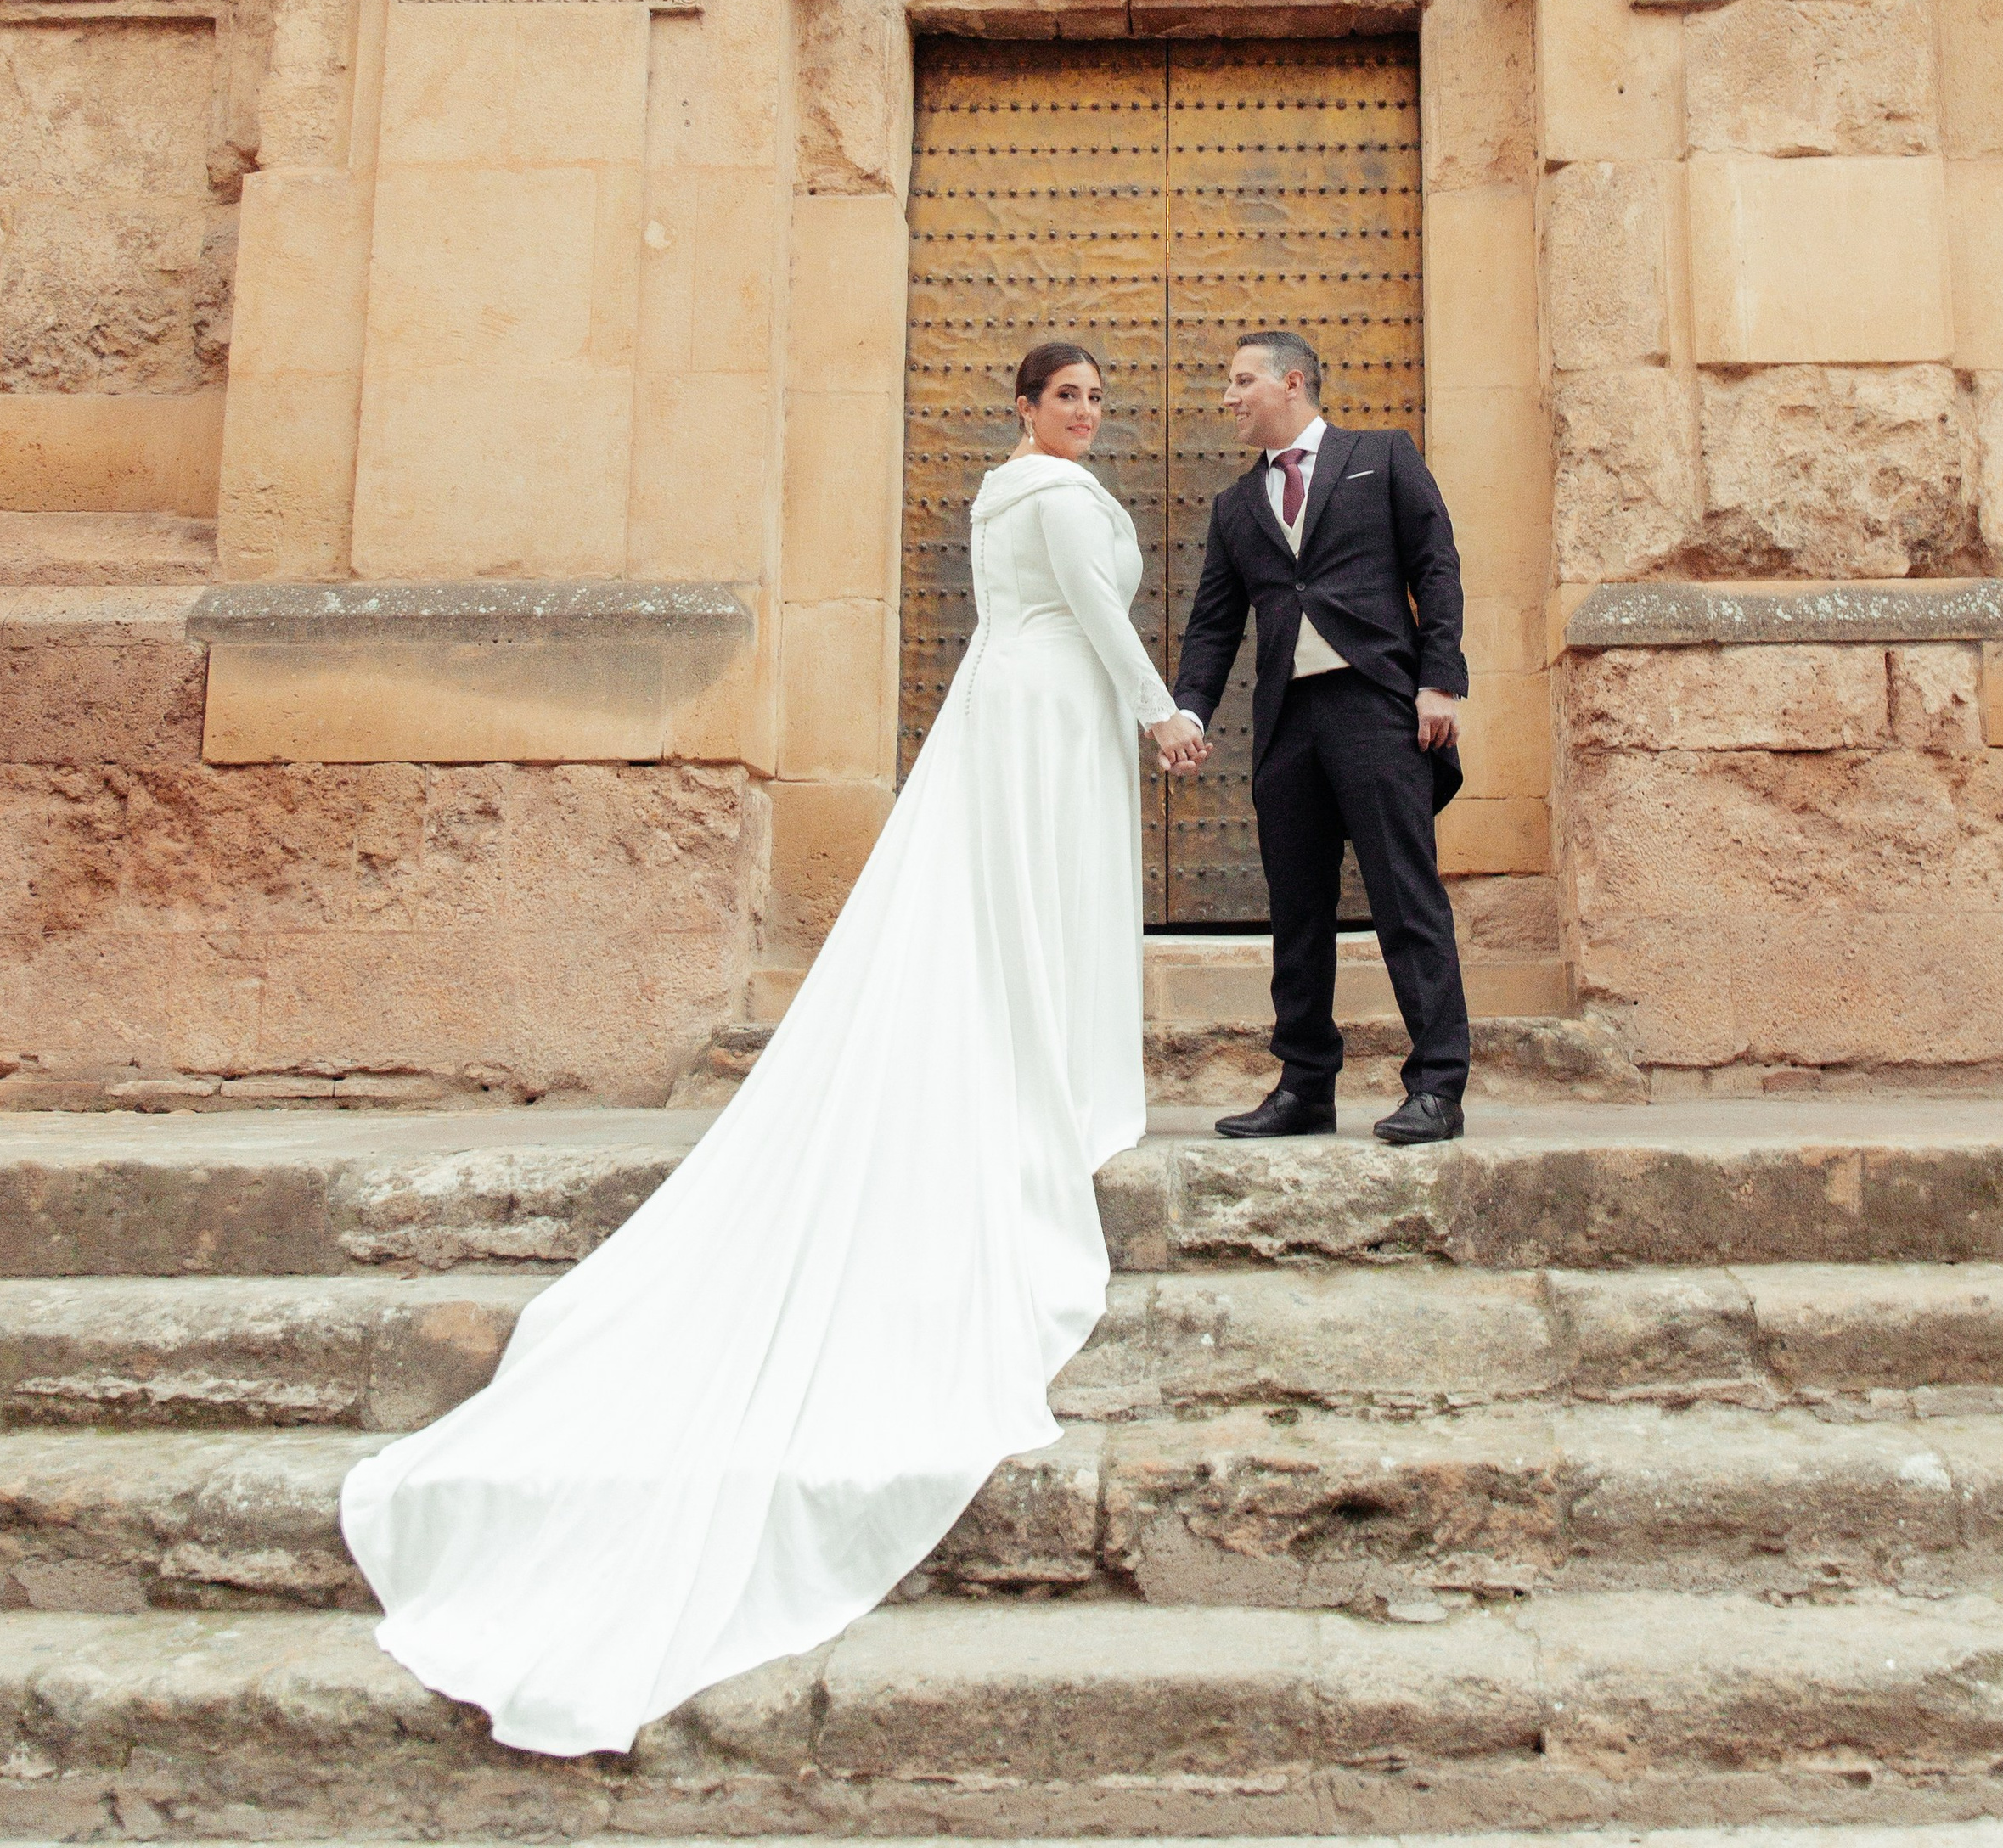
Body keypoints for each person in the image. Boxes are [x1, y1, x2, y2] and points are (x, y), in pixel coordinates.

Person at [340, 341, 1200, 1758]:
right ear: (1029, 410)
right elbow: (1101, 630)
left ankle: (1034, 1053)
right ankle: (1054, 1075)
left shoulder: (1005, 494)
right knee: (1043, 900)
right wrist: (1157, 703)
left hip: (1008, 707)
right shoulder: (1044, 495)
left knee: (1011, 905)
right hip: (1052, 708)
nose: (1088, 414)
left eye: (1099, 398)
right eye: (1069, 397)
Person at [1167, 327, 1470, 1148]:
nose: (1227, 398)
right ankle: (1305, 1087)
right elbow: (1212, 626)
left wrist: (1439, 678)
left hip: (1378, 707)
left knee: (1407, 898)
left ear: (1291, 382)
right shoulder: (1235, 507)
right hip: (1288, 726)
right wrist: (1190, 711)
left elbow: (1436, 566)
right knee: (1298, 912)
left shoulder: (1382, 455)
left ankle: (1438, 1085)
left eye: (1239, 383)